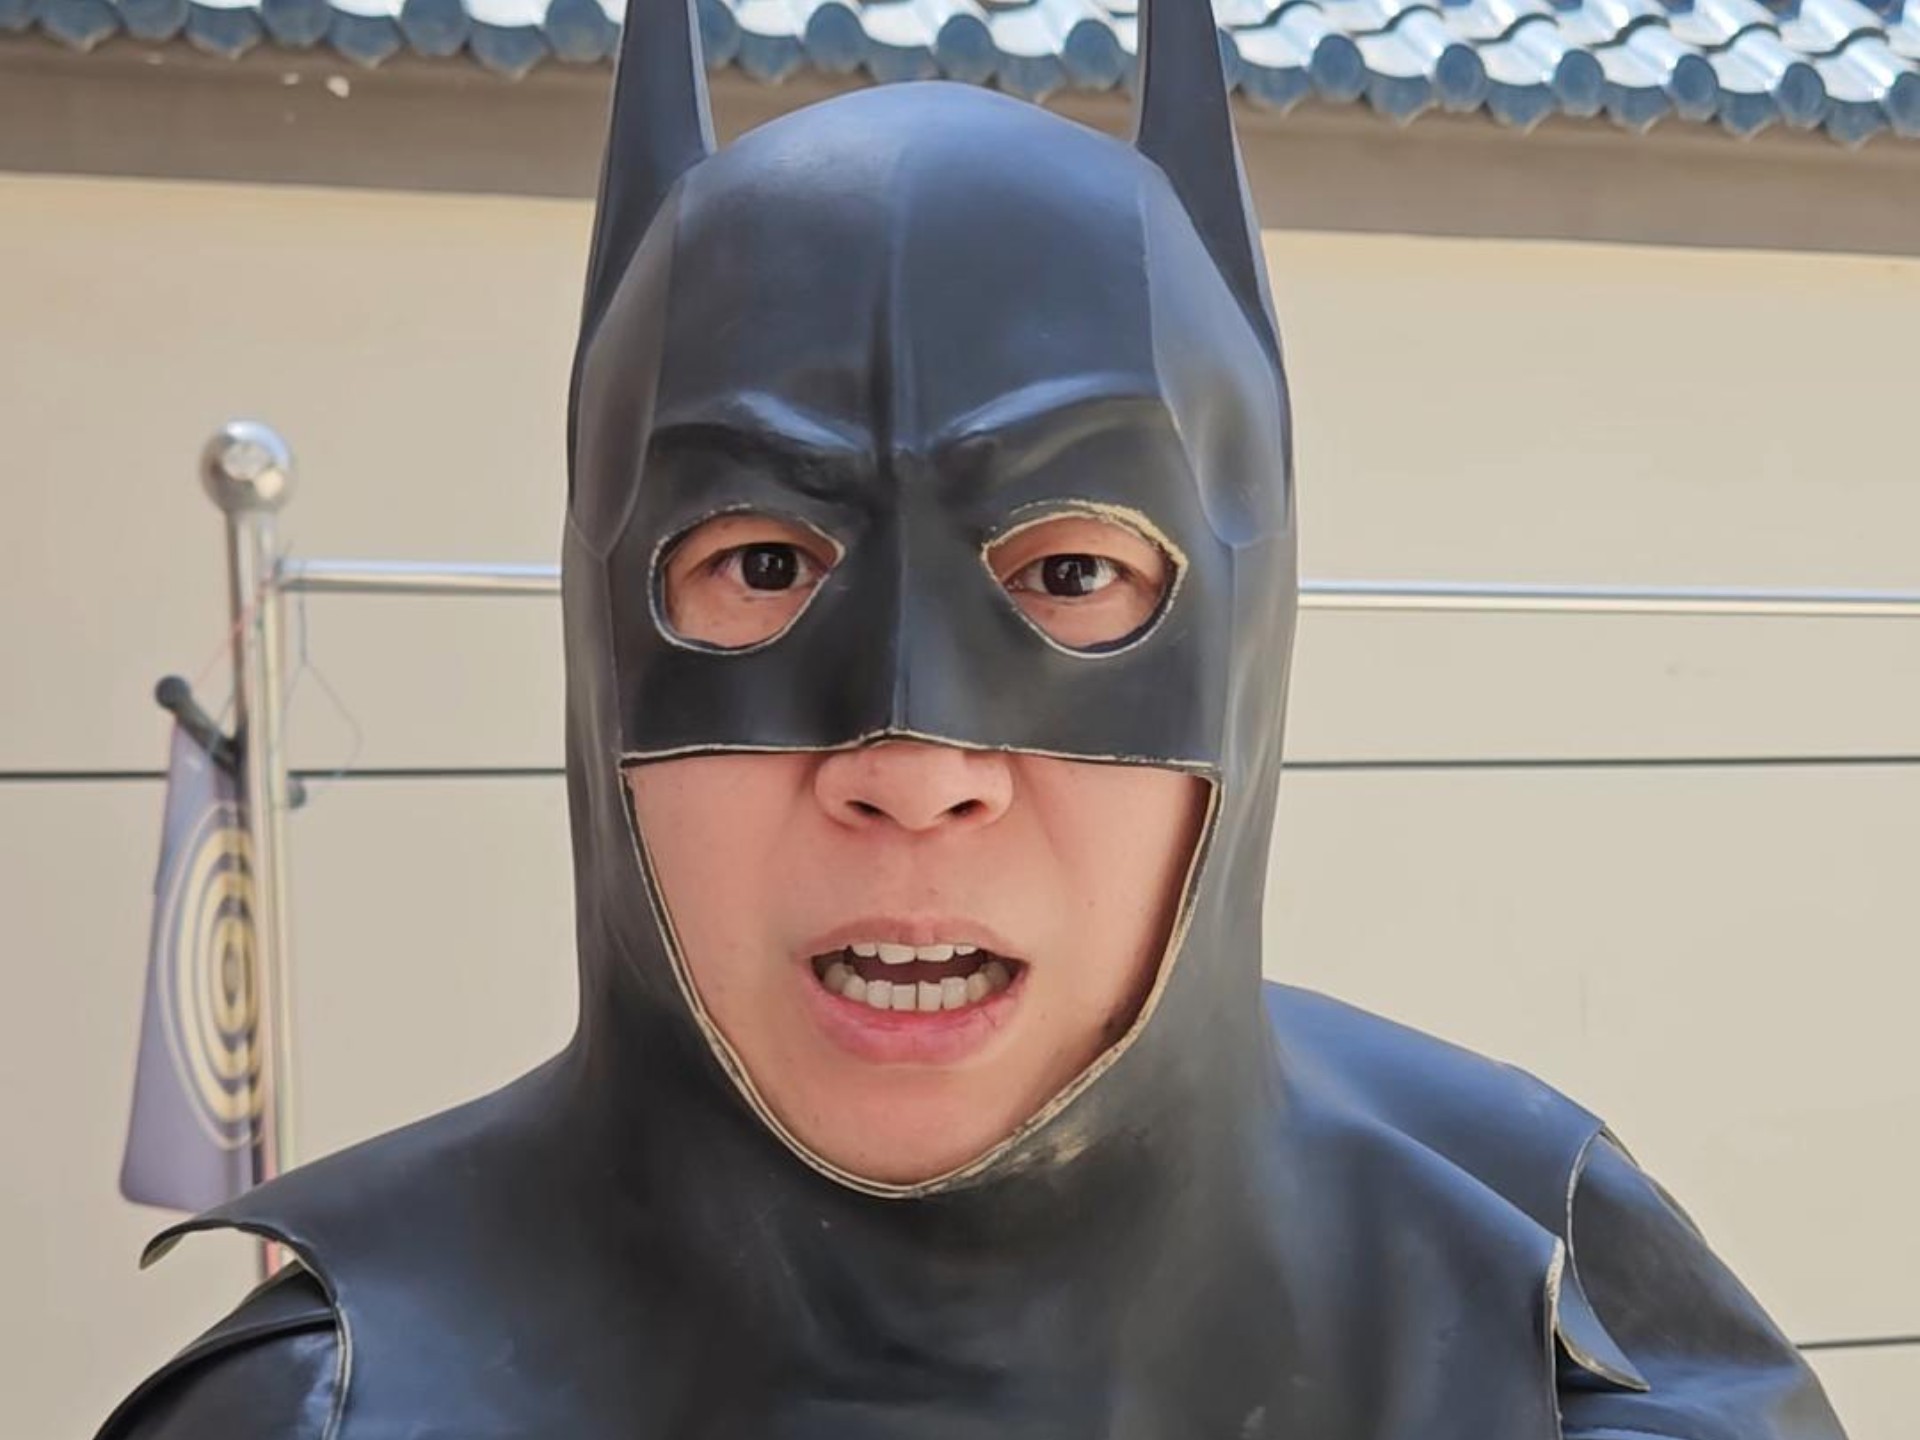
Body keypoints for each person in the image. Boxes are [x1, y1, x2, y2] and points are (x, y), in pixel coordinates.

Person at [96, 0, 1850, 1434]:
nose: (915, 765)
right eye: (763, 563)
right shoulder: (336, 1411)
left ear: (1242, 647)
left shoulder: (1565, 1339)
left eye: (1074, 574)